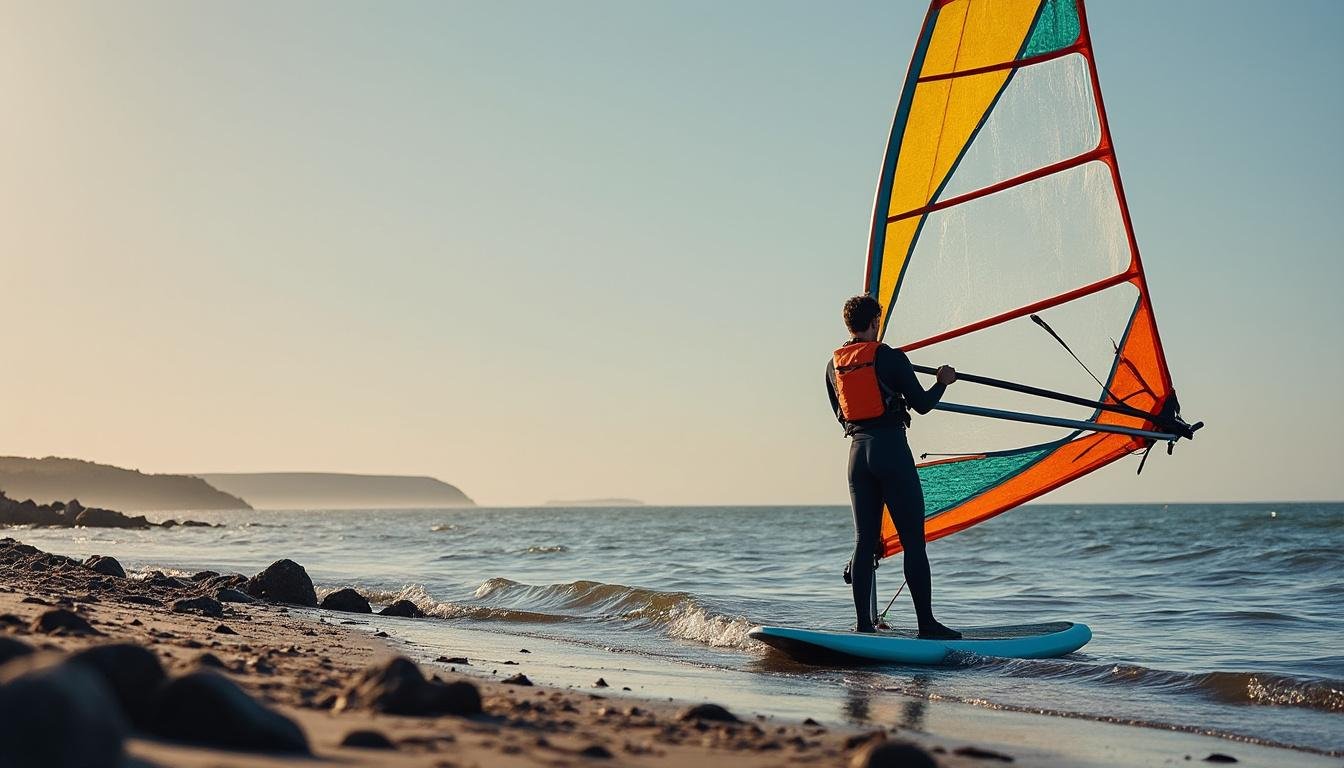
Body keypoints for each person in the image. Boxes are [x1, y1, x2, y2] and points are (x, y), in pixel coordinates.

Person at [825, 295, 961, 639]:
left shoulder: (833, 365)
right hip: (891, 451)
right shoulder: (890, 358)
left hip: (858, 456)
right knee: (913, 542)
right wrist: (942, 382)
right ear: (875, 323)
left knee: (863, 541)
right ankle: (927, 626)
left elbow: (841, 415)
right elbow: (924, 405)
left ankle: (862, 625)